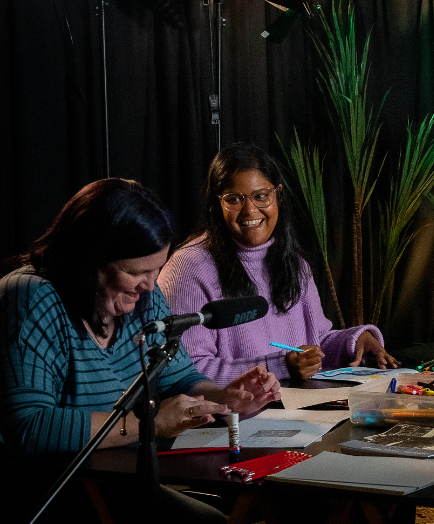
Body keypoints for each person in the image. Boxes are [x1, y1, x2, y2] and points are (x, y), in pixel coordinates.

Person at [0, 178, 280, 521]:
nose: (150, 284)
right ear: (90, 258)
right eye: (136, 272)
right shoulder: (30, 297)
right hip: (52, 490)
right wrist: (149, 424)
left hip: (120, 479)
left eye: (156, 269)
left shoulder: (143, 298)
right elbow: (28, 427)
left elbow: (179, 378)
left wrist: (223, 398)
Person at [159, 143, 397, 384]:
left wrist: (354, 342)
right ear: (217, 204)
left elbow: (315, 345)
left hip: (300, 405)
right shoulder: (189, 267)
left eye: (261, 196)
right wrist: (280, 366)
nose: (249, 210)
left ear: (278, 195)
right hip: (236, 409)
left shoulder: (294, 263)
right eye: (234, 199)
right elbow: (184, 372)